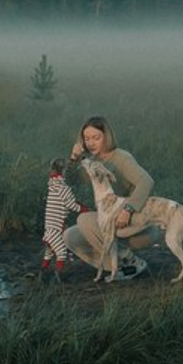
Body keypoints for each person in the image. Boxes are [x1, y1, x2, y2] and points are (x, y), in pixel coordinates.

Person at [64, 115, 152, 280]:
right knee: (71, 236)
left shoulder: (121, 157)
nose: (91, 143)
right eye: (87, 138)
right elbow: (70, 181)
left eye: (96, 138)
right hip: (112, 224)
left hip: (136, 225)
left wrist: (128, 209)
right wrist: (74, 159)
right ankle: (121, 266)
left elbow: (146, 181)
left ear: (107, 137)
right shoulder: (92, 162)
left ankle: (129, 259)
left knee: (84, 220)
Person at [40, 156, 81, 277]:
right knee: (61, 252)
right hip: (56, 229)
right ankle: (58, 276)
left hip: (50, 228)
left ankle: (42, 272)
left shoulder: (52, 187)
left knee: (49, 252)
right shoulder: (64, 188)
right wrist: (83, 209)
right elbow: (71, 205)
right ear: (64, 172)